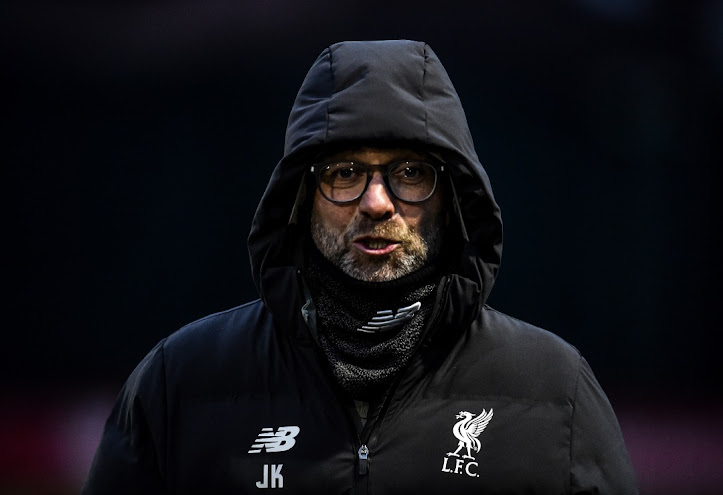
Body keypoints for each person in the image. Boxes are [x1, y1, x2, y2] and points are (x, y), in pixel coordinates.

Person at [82, 40, 638, 494]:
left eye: (412, 172)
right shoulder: (181, 383)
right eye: (345, 172)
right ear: (298, 198)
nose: (377, 203)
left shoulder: (554, 390)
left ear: (454, 198)